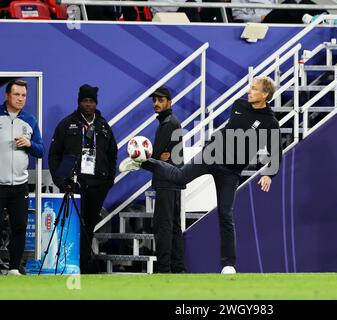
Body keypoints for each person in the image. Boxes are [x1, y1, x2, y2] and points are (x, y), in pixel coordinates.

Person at [119, 76, 282, 274]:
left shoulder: (270, 123)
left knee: (225, 214)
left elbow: (276, 156)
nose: (249, 91)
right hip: (211, 155)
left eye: (254, 89)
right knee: (178, 177)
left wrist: (268, 175)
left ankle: (228, 265)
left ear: (265, 95)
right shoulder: (239, 104)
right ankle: (142, 161)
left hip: (231, 172)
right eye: (250, 87)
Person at [48, 84, 118, 274]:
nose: (88, 105)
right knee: (74, 226)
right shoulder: (66, 124)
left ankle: (85, 265)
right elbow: (54, 155)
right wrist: (60, 181)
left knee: (89, 226)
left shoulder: (104, 126)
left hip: (98, 185)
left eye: (91, 101)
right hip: (74, 185)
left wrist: (108, 181)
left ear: (96, 103)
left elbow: (113, 154)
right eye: (84, 101)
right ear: (79, 102)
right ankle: (69, 264)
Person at [0, 79, 44, 275]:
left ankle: (14, 269)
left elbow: (41, 150)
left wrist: (29, 144)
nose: (20, 99)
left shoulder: (31, 121)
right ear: (7, 96)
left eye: (24, 95)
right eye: (17, 94)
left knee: (20, 226)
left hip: (19, 186)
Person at [147, 87, 185, 273]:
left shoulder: (168, 123)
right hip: (173, 179)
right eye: (154, 100)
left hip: (166, 180)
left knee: (164, 225)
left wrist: (146, 159)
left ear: (169, 102)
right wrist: (156, 157)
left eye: (160, 100)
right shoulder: (170, 121)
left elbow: (154, 154)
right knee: (174, 226)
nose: (156, 103)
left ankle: (163, 269)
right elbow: (157, 155)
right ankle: (177, 268)